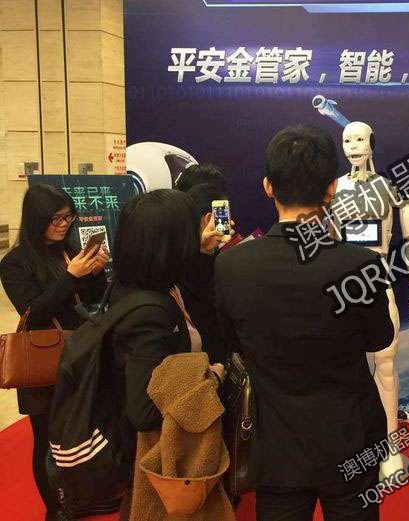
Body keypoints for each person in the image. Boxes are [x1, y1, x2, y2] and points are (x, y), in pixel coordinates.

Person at [214, 125, 394, 521]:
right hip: (352, 438)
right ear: (332, 189)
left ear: (267, 186)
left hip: (276, 445)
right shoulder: (361, 265)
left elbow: (232, 341)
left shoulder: (232, 264)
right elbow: (379, 338)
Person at [0, 184, 108, 521]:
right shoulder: (14, 263)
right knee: (46, 438)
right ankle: (55, 508)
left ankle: (83, 494)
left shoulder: (70, 249)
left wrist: (95, 273)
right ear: (36, 220)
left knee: (80, 429)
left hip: (78, 352)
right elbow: (34, 312)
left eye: (68, 217)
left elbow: (91, 299)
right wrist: (71, 276)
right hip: (42, 359)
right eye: (56, 219)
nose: (63, 224)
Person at [109, 190, 208, 519]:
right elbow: (143, 411)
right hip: (158, 464)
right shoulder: (149, 312)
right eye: (192, 230)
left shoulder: (153, 286)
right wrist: (206, 382)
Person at [182, 182, 234, 362]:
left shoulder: (187, 252)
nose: (230, 221)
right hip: (205, 358)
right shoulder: (189, 261)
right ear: (209, 218)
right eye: (224, 216)